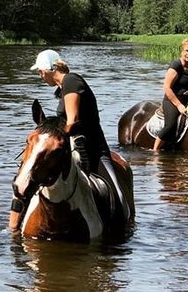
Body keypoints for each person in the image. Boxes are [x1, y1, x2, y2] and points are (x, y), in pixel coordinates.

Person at [10, 48, 127, 227]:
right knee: (24, 180)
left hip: (93, 149)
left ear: (49, 69)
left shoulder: (71, 81)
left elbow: (72, 121)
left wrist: (51, 136)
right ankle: (14, 228)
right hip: (70, 148)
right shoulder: (62, 89)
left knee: (118, 195)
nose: (41, 76)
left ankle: (118, 236)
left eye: (40, 72)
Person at [151, 38, 188, 151]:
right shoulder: (176, 65)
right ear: (182, 51)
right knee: (171, 125)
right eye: (186, 50)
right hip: (172, 100)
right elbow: (167, 88)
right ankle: (155, 150)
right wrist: (178, 105)